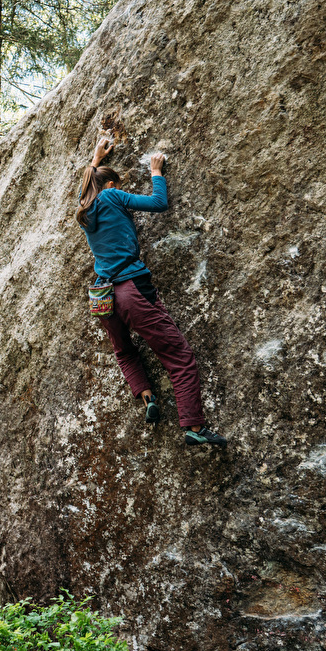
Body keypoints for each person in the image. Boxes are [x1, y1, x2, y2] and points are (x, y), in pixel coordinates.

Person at [76, 135, 229, 446]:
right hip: (131, 290)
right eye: (115, 185)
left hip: (102, 297)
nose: (118, 189)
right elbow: (158, 203)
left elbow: (85, 190)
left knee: (124, 351)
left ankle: (147, 396)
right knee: (179, 356)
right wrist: (156, 171)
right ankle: (194, 429)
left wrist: (95, 160)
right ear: (109, 187)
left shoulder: (85, 211)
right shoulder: (111, 198)